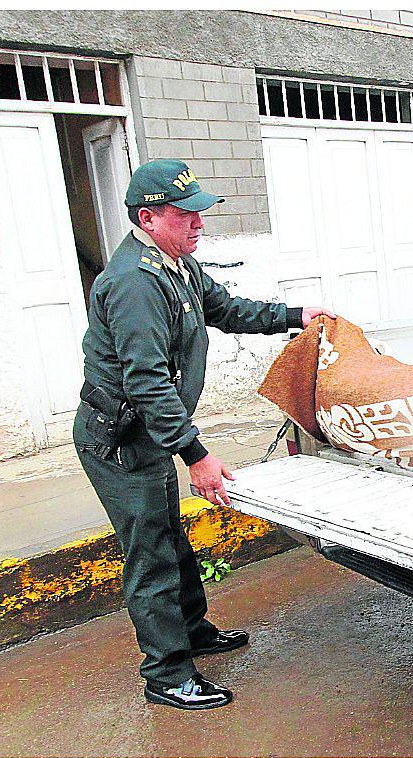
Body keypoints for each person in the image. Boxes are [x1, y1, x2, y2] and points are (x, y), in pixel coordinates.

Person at [75, 159, 334, 711]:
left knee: (171, 536)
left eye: (199, 212)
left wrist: (295, 314)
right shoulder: (134, 283)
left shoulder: (178, 265)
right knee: (151, 553)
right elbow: (145, 381)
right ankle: (166, 674)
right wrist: (195, 454)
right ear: (148, 218)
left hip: (146, 432)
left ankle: (191, 631)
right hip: (119, 441)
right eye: (184, 214)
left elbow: (226, 308)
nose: (198, 223)